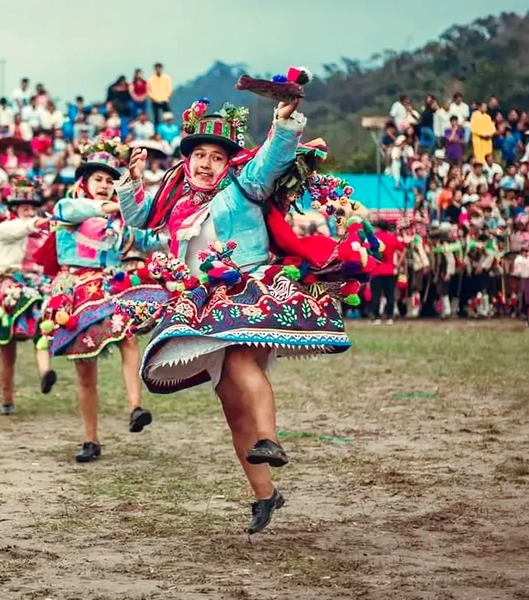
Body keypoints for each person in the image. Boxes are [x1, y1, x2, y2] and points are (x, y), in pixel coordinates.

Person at [114, 97, 375, 534]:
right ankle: (265, 495)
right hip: (203, 304)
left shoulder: (244, 184)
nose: (205, 163)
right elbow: (140, 219)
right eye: (199, 155)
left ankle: (270, 439)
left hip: (250, 291)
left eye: (216, 157)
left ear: (227, 162)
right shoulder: (176, 200)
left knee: (239, 362)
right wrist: (131, 181)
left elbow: (272, 158)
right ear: (188, 158)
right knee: (232, 411)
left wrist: (284, 122)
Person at [40, 138, 164, 464]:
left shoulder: (120, 222)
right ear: (84, 183)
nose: (106, 186)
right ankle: (90, 438)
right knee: (85, 371)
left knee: (127, 337)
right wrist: (116, 205)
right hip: (76, 290)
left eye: (111, 181)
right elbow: (74, 210)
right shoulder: (69, 208)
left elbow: (151, 238)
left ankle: (136, 407)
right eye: (99, 180)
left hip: (110, 286)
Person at [0, 177, 58, 414]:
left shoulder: (40, 234)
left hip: (36, 283)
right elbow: (23, 228)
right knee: (7, 348)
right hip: (9, 283)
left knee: (43, 328)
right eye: (23, 208)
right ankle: (7, 399)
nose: (28, 211)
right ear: (14, 209)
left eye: (31, 207)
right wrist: (39, 222)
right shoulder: (6, 228)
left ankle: (46, 372)